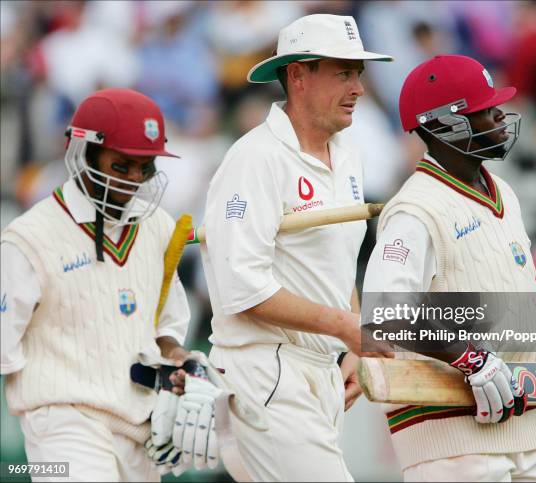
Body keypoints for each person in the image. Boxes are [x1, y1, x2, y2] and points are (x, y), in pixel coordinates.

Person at [200, 14, 393, 482]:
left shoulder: (348, 154)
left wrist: (351, 348)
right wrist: (347, 327)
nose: (359, 89)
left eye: (359, 74)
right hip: (264, 371)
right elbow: (240, 288)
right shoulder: (254, 158)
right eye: (343, 73)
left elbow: (335, 261)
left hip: (316, 373)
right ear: (298, 74)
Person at [362, 55, 536, 482]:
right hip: (452, 440)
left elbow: (525, 313)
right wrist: (472, 359)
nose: (500, 116)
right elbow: (383, 314)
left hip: (529, 428)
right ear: (442, 125)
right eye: (483, 110)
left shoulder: (504, 194)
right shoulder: (415, 210)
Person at [0, 88, 216, 481]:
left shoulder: (159, 227)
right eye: (121, 166)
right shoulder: (29, 238)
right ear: (84, 154)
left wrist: (181, 362)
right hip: (62, 425)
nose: (134, 180)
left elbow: (164, 327)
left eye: (145, 167)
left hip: (140, 425)